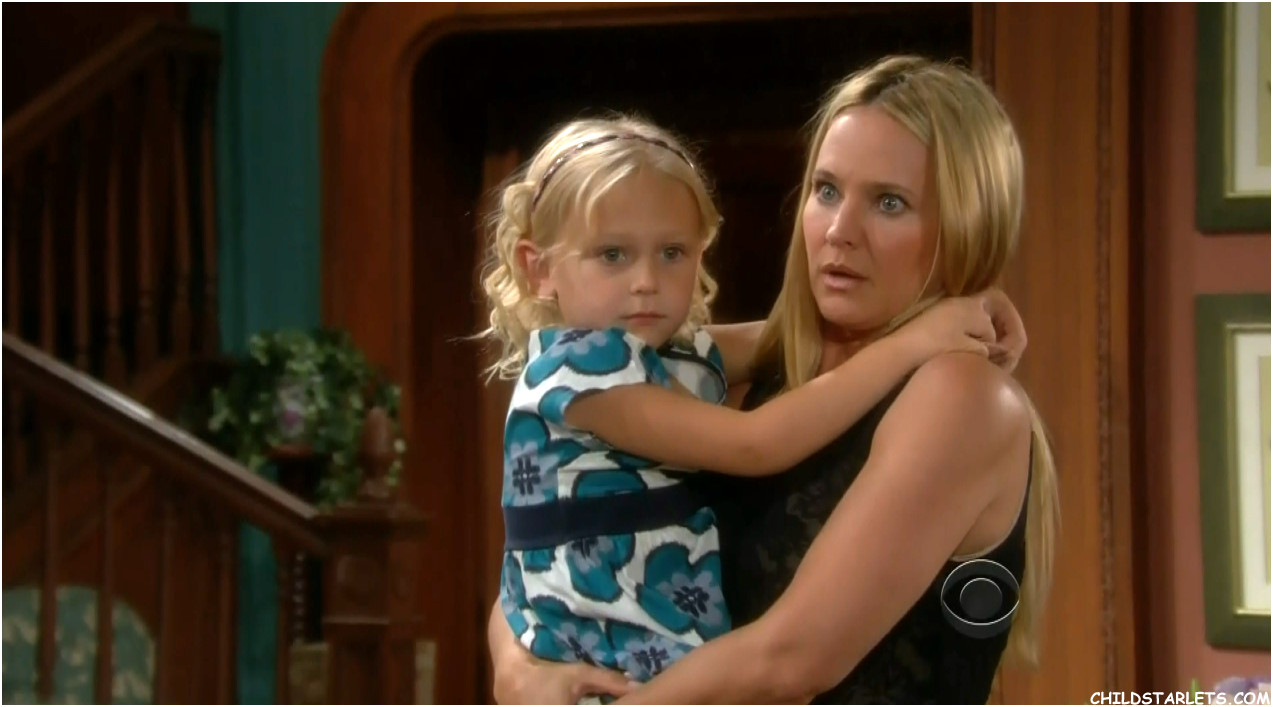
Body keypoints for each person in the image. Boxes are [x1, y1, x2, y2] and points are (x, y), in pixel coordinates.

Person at [488, 55, 1059, 704]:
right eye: (826, 190)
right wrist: (517, 668)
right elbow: (551, 538)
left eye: (889, 203)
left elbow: (789, 661)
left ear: (966, 225)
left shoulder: (964, 396)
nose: (840, 231)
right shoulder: (746, 371)